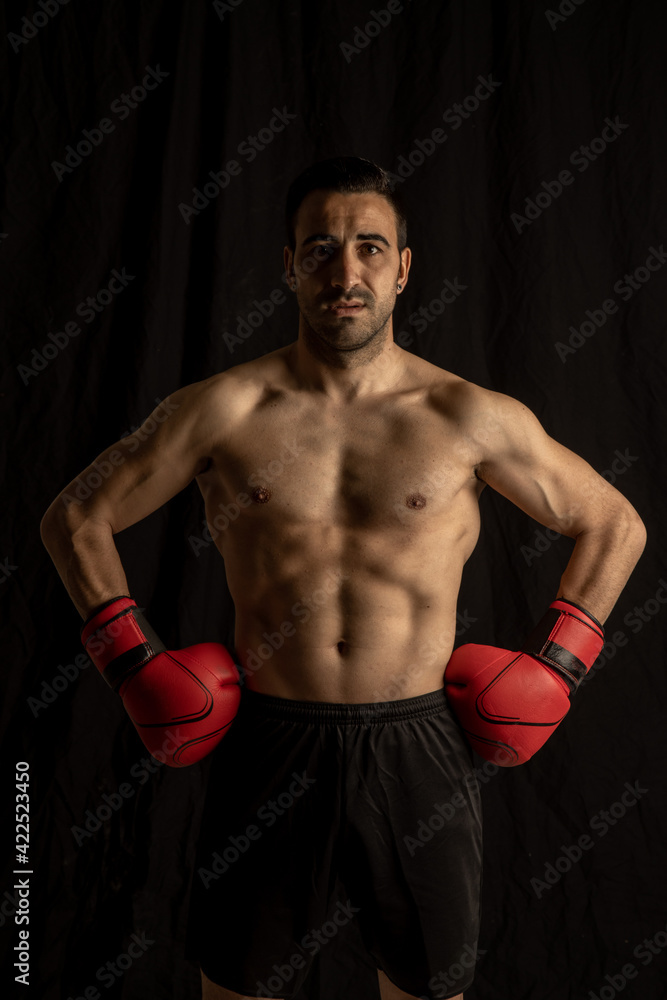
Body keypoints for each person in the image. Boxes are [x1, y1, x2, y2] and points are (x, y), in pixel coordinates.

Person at [40, 156, 646, 1000]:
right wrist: (131, 661)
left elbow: (613, 521)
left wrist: (557, 666)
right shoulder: (221, 409)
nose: (346, 271)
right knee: (237, 990)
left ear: (403, 268)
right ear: (288, 265)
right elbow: (74, 516)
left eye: (369, 248)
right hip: (269, 739)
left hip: (418, 748)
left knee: (425, 992)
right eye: (320, 249)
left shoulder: (467, 415)